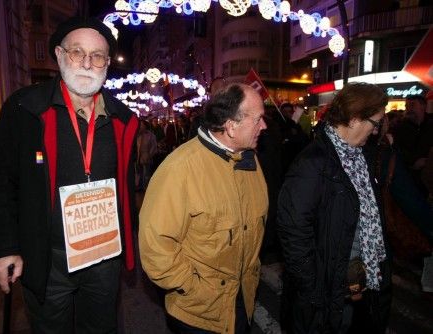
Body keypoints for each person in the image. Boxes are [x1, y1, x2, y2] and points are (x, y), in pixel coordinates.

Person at [0, 16, 139, 333]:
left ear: (107, 63)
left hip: (104, 257)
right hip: (48, 258)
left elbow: (126, 186)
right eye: (76, 52)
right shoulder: (24, 109)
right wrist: (3, 247)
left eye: (97, 56)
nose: (86, 63)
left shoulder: (124, 119)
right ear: (58, 55)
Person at [138, 83, 268, 334]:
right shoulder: (180, 169)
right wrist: (193, 288)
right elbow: (155, 247)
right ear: (231, 126)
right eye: (258, 119)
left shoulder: (250, 161)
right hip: (198, 314)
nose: (264, 126)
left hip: (242, 302)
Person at [277, 82, 392, 333]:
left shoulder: (363, 157)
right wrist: (314, 287)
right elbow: (293, 231)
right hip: (327, 290)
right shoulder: (312, 162)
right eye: (374, 123)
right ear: (353, 119)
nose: (375, 132)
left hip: (361, 282)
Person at [394, 95, 433, 196]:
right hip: (409, 179)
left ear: (423, 106)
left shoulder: (431, 125)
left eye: (412, 105)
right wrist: (413, 162)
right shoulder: (400, 128)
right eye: (407, 105)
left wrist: (428, 161)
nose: (408, 109)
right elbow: (397, 150)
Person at [136, 119, 158, 190]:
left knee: (146, 173)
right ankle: (139, 186)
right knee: (139, 173)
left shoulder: (151, 135)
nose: (140, 126)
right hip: (138, 157)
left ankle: (146, 187)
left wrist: (149, 155)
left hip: (146, 156)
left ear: (145, 126)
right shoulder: (137, 135)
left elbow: (154, 147)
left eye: (142, 125)